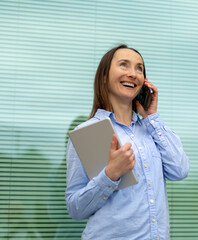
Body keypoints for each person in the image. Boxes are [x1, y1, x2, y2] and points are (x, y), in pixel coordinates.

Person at [65, 44, 190, 240]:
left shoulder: (152, 130)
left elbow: (180, 170)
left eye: (139, 68)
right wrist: (110, 175)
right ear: (104, 77)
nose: (133, 73)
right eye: (124, 65)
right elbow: (75, 208)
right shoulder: (87, 133)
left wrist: (152, 117)